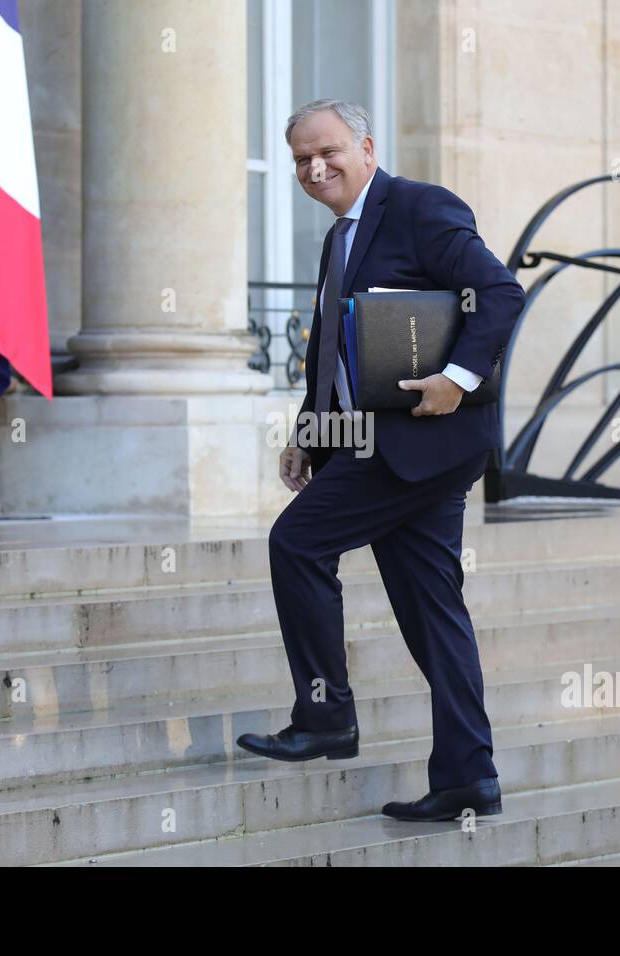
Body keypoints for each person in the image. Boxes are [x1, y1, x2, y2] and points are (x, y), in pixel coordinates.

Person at [235, 99, 525, 822]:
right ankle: (468, 777)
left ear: (366, 146)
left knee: (297, 543)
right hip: (386, 447)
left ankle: (326, 716)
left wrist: (455, 382)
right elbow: (333, 347)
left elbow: (499, 293)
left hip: (419, 442)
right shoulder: (339, 239)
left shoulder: (421, 208)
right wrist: (311, 431)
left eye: (327, 151)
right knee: (434, 615)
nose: (314, 167)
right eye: (301, 159)